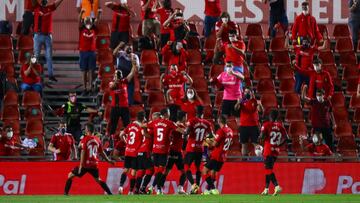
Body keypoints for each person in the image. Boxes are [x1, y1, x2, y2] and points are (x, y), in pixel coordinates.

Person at [64, 123, 114, 195]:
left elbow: (83, 152)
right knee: (98, 180)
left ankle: (66, 193)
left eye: (86, 129)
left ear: (88, 130)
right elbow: (102, 153)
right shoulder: (98, 140)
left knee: (70, 176)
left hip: (85, 165)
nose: (85, 130)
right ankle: (110, 193)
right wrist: (108, 160)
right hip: (94, 165)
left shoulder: (85, 138)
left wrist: (81, 166)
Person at [147, 108, 184, 194]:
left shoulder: (154, 123)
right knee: (161, 171)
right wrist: (185, 131)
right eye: (169, 113)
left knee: (159, 171)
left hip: (155, 150)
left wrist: (144, 130)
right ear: (167, 114)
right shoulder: (170, 123)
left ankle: (158, 189)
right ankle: (152, 187)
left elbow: (144, 126)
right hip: (164, 150)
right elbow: (179, 130)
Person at [259, 109, 289, 196]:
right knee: (268, 169)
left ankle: (276, 186)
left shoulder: (266, 125)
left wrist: (260, 140)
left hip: (268, 150)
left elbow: (261, 137)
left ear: (270, 116)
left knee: (268, 169)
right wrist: (279, 144)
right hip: (276, 151)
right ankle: (266, 189)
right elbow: (286, 138)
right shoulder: (281, 126)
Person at [184, 106, 214, 194]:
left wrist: (185, 133)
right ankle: (196, 188)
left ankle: (193, 185)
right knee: (197, 168)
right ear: (203, 113)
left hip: (191, 148)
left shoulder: (192, 121)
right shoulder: (207, 123)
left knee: (186, 166)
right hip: (200, 149)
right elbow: (211, 136)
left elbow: (187, 132)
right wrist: (206, 139)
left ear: (195, 112)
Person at [33, 0, 65, 82]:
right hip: (38, 35)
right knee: (36, 57)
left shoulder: (50, 8)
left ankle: (51, 75)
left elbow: (56, 4)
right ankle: (34, 75)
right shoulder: (37, 7)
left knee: (49, 57)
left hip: (48, 36)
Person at [202, 115, 233, 195]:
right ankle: (207, 191)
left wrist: (207, 141)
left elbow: (214, 144)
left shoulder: (221, 130)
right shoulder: (230, 130)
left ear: (219, 121)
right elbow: (229, 142)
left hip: (216, 155)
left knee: (204, 171)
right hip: (223, 156)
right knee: (213, 173)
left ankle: (213, 189)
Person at [118, 111, 147, 194]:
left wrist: (126, 142)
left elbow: (121, 134)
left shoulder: (130, 126)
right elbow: (144, 137)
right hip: (135, 152)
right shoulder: (140, 127)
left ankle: (120, 187)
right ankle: (130, 191)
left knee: (126, 169)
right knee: (133, 172)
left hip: (128, 151)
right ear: (143, 118)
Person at [159, 111, 187, 194]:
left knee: (167, 171)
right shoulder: (177, 126)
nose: (186, 118)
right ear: (183, 118)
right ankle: (179, 188)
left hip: (175, 152)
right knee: (181, 171)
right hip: (175, 151)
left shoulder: (176, 126)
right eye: (185, 116)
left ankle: (160, 189)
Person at [108, 64, 136, 140]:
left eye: (119, 74)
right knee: (113, 126)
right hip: (115, 108)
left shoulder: (124, 82)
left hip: (124, 108)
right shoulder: (111, 83)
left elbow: (132, 73)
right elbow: (112, 86)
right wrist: (117, 79)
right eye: (117, 74)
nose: (119, 76)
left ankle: (130, 139)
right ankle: (111, 142)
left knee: (127, 125)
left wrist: (134, 65)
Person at [78, 9, 101, 95]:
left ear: (92, 22)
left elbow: (97, 21)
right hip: (83, 53)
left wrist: (98, 14)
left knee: (91, 71)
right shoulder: (81, 29)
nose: (88, 22)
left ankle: (90, 88)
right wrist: (81, 13)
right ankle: (85, 88)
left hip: (92, 53)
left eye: (89, 21)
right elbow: (79, 21)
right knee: (84, 71)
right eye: (86, 21)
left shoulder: (94, 29)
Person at [235, 88, 263, 156]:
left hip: (254, 126)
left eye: (248, 92)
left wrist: (260, 105)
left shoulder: (255, 101)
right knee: (244, 145)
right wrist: (238, 103)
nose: (246, 93)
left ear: (251, 93)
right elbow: (236, 109)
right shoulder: (242, 101)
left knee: (256, 144)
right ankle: (244, 161)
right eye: (245, 92)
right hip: (244, 126)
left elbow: (261, 111)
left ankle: (259, 159)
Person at [138, 112, 160, 194]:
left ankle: (137, 189)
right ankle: (142, 188)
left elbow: (143, 132)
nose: (160, 119)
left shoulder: (149, 125)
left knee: (142, 170)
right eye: (158, 118)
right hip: (145, 150)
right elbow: (146, 134)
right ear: (154, 118)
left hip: (142, 150)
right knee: (151, 170)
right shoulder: (152, 125)